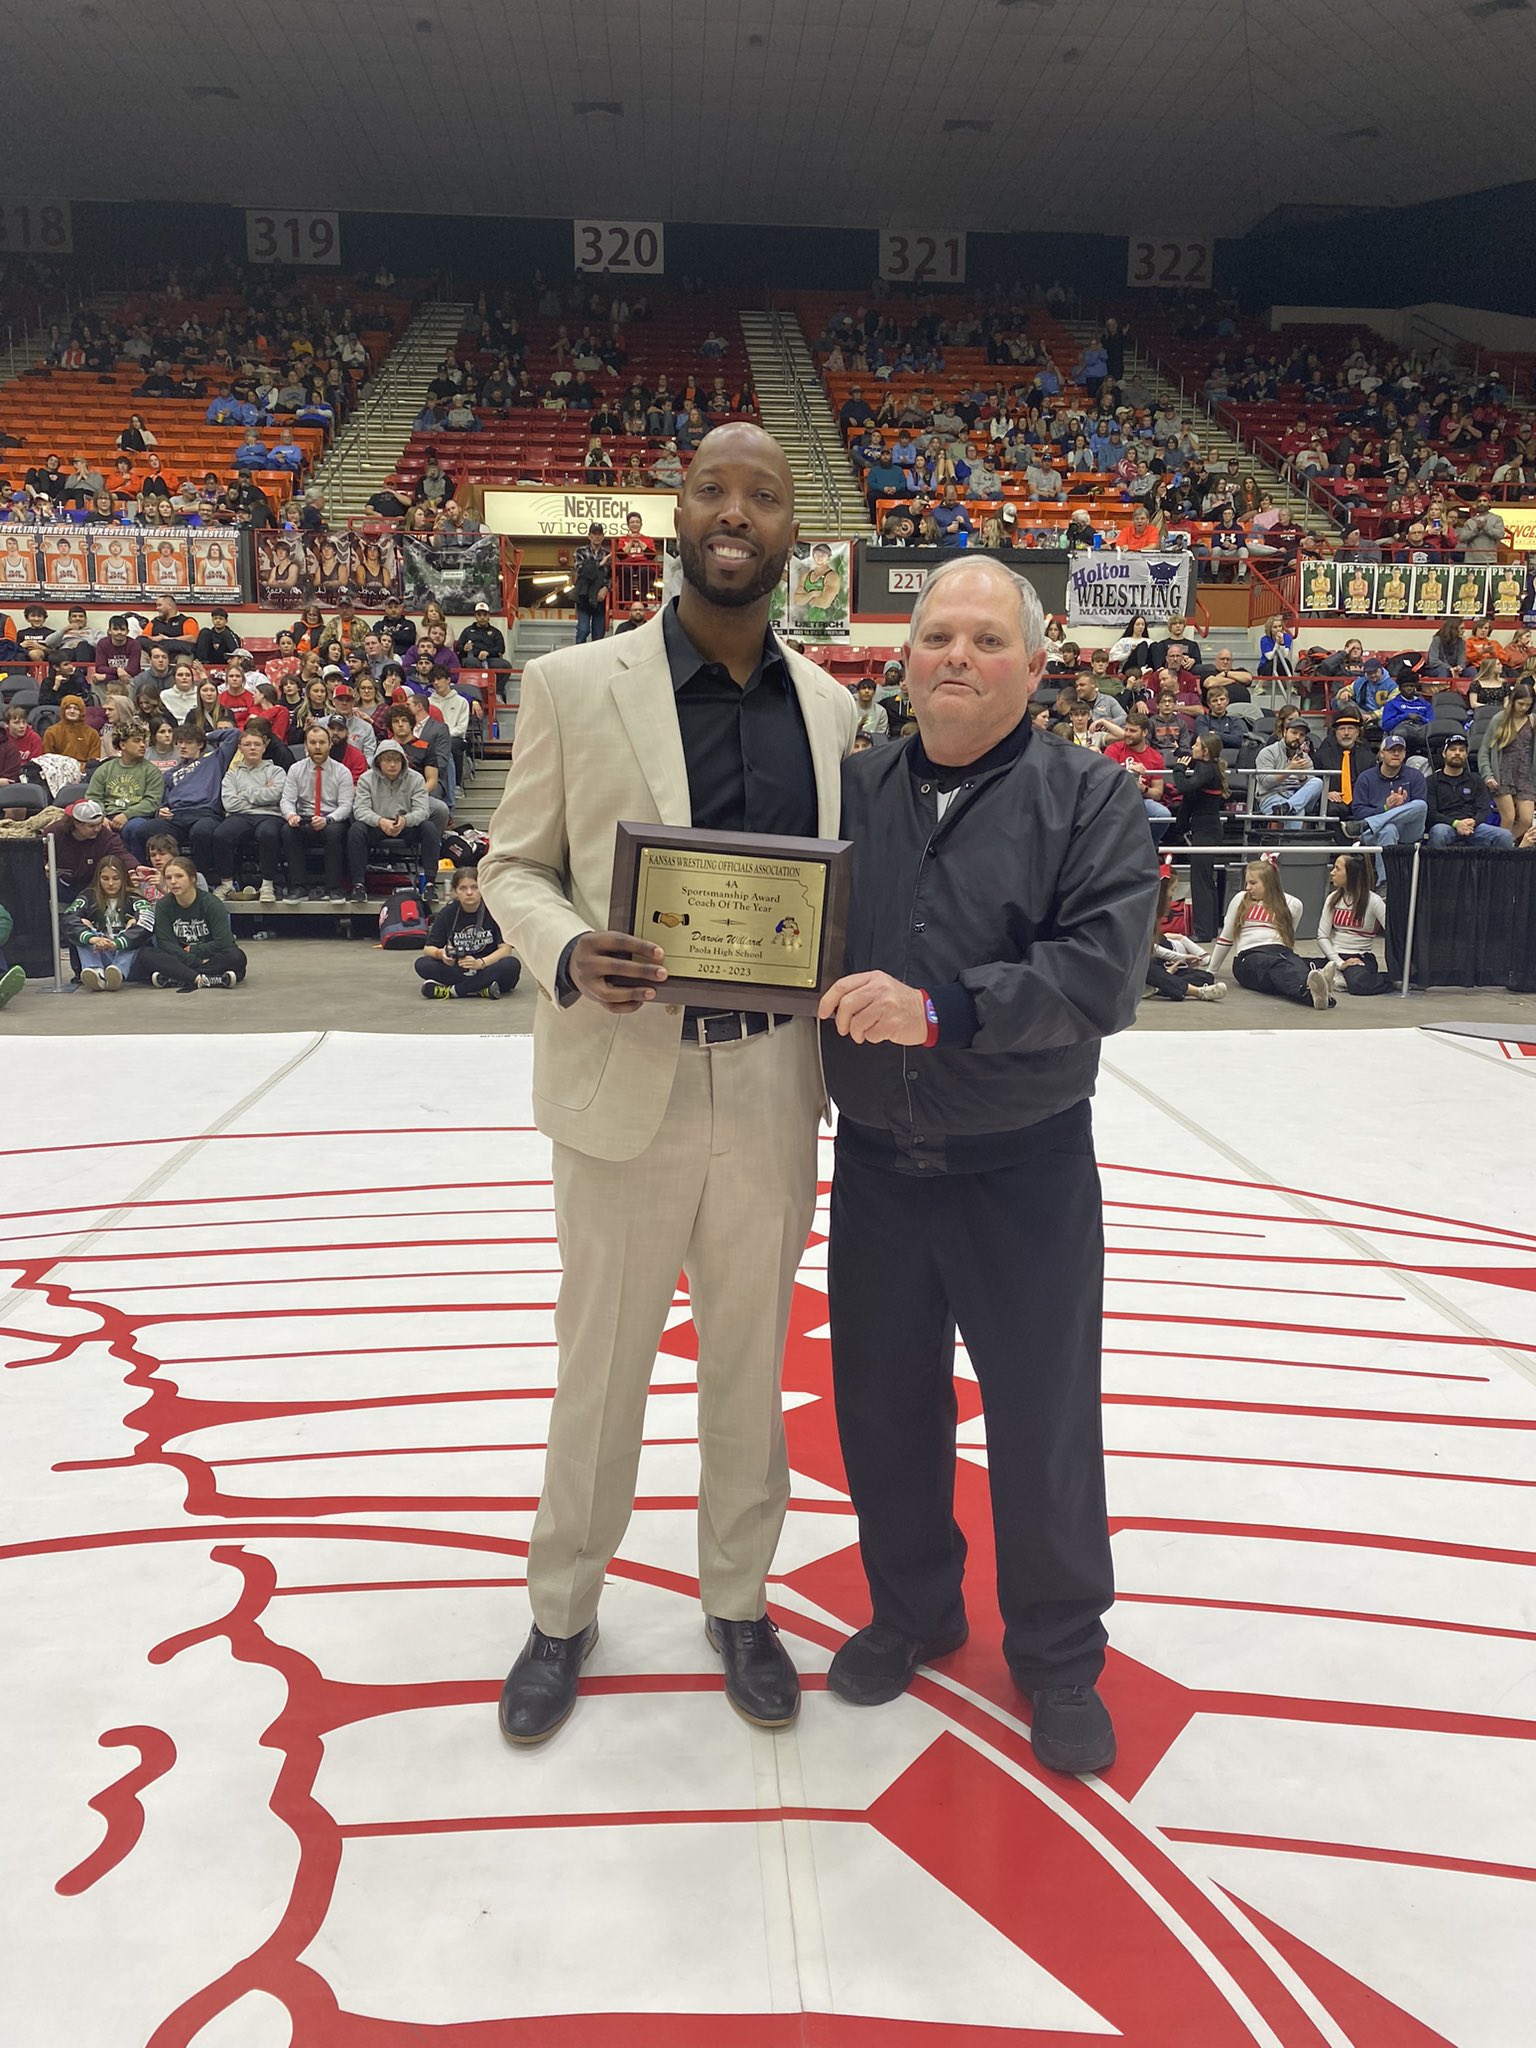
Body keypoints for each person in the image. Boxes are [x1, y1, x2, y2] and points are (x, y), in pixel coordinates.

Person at [479, 422, 857, 1744]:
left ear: (791, 531)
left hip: (767, 1089)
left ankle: (739, 1601)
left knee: (752, 1369)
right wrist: (572, 949)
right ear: (675, 515)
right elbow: (510, 866)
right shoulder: (576, 685)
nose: (736, 513)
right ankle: (562, 1610)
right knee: (602, 1367)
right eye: (714, 490)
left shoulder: (834, 709)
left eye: (763, 495)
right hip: (623, 1083)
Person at [811, 554, 1157, 1777]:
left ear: (1035, 659)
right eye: (936, 635)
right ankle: (914, 1610)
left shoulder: (1094, 797)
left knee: (1043, 1417)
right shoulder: (852, 788)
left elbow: (1101, 974)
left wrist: (944, 1011)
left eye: (986, 638)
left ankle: (1060, 1657)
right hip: (881, 1165)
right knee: (884, 1407)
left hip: (1026, 1164)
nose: (957, 655)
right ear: (902, 657)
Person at [1208, 861, 1335, 1010]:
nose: (1248, 887)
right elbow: (1225, 939)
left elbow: (1288, 940)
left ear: (1269, 883)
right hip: (1249, 956)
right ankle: (1312, 986)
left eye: (1253, 883)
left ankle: (1314, 990)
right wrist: (1211, 972)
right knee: (1277, 966)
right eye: (1247, 882)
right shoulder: (1240, 899)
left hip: (1280, 952)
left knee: (1291, 964)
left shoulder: (1293, 904)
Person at [347, 739, 441, 902]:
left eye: (396, 760)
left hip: (406, 824)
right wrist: (380, 821)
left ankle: (430, 884)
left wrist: (405, 820)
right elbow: (360, 810)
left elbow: (422, 811)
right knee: (356, 829)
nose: (392, 765)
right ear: (378, 762)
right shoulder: (366, 779)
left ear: (403, 761)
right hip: (377, 825)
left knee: (429, 828)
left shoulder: (416, 778)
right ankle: (358, 885)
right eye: (387, 760)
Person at [140, 852, 248, 991]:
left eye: (179, 876)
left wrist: (194, 950)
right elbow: (166, 943)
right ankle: (207, 979)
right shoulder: (163, 905)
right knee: (146, 954)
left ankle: (177, 978)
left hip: (208, 957)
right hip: (181, 957)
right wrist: (194, 960)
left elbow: (224, 942)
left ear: (192, 879)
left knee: (236, 957)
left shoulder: (211, 903)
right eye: (168, 878)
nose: (173, 882)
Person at [415, 865, 522, 999]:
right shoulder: (447, 913)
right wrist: (441, 954)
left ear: (482, 888)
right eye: (463, 888)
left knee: (511, 964)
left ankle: (455, 991)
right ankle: (481, 989)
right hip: (460, 967)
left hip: (487, 965)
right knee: (422, 964)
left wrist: (481, 963)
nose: (469, 892)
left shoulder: (495, 910)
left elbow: (505, 950)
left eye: (474, 887)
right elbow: (428, 949)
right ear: (455, 892)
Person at [212, 726, 287, 901]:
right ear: (240, 748)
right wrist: (262, 792)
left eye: (256, 744)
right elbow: (229, 803)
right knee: (221, 834)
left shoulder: (276, 771)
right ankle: (227, 884)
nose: (252, 748)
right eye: (247, 744)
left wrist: (245, 794)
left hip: (270, 815)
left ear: (264, 747)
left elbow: (277, 795)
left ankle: (267, 885)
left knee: (268, 833)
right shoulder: (232, 774)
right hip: (240, 816)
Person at [281, 723, 354, 900]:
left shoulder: (342, 771)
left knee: (334, 833)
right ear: (306, 745)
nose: (317, 747)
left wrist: (328, 819)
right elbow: (287, 800)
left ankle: (334, 888)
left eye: (322, 742)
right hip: (304, 817)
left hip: (331, 819)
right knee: (287, 831)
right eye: (312, 743)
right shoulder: (296, 769)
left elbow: (346, 806)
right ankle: (298, 886)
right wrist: (291, 815)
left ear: (330, 744)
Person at [1167, 732, 1229, 941]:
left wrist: (1179, 769)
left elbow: (1184, 786)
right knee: (1205, 880)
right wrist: (1179, 752)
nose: (1192, 747)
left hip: (1206, 832)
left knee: (1200, 881)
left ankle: (1203, 932)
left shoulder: (1205, 769)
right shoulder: (1209, 766)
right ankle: (1209, 929)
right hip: (1207, 829)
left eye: (1196, 745)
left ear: (1205, 751)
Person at [61, 852, 152, 990]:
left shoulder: (135, 898)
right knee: (82, 926)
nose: (110, 883)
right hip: (99, 951)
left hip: (129, 957)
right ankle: (95, 972)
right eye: (105, 878)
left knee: (134, 928)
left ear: (123, 878)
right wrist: (92, 938)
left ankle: (118, 972)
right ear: (98, 879)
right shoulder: (88, 896)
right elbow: (69, 918)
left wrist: (118, 942)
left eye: (116, 878)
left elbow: (146, 924)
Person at [1144, 870, 1226, 1003]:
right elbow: (1151, 949)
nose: (1173, 894)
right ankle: (1198, 992)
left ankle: (1158, 986)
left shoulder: (1157, 915)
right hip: (1146, 962)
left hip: (1162, 962)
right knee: (1147, 967)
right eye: (1172, 889)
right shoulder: (1145, 914)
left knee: (1206, 977)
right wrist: (1182, 959)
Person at [1347, 733, 1429, 865]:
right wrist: (1385, 808)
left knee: (1421, 805)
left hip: (1407, 830)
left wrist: (1402, 807)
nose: (1396, 754)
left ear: (1404, 754)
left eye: (1400, 750)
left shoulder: (1416, 776)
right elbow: (1358, 812)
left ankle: (1370, 823)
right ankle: (1386, 882)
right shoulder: (1365, 778)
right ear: (1381, 754)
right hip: (1376, 832)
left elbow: (1420, 811)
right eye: (1391, 750)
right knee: (1388, 830)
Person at [1317, 853, 1392, 994]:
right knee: (1297, 965)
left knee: (1357, 983)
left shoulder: (1374, 901)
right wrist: (1339, 963)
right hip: (1335, 956)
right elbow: (1322, 936)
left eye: (1337, 869)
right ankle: (1336, 977)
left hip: (1360, 958)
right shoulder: (1332, 898)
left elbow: (1394, 932)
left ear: (1352, 874)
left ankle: (1389, 979)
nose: (1332, 873)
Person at [1428, 732, 1515, 850]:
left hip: (1474, 826)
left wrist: (1473, 822)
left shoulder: (1476, 780)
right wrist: (1456, 823)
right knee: (1438, 833)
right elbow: (1431, 813)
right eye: (1453, 749)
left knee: (1505, 836)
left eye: (1462, 750)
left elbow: (1484, 809)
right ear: (1444, 753)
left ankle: (1495, 869)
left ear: (1466, 754)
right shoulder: (1432, 781)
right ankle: (1437, 869)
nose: (1457, 753)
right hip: (1446, 826)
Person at [87, 724, 166, 850]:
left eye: (143, 741)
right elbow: (93, 797)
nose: (142, 745)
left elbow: (152, 802)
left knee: (134, 828)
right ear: (123, 745)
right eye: (136, 741)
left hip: (137, 817)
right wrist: (101, 817)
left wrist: (127, 815)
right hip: (108, 815)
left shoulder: (151, 771)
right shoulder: (105, 769)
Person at [1479, 680, 1534, 845]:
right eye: (1521, 704)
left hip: (1526, 774)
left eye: (1528, 705)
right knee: (1508, 817)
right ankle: (1503, 851)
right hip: (1502, 772)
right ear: (1513, 701)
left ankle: (1506, 846)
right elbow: (1484, 750)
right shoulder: (1499, 719)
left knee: (1526, 820)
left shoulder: (1532, 721)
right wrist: (1487, 774)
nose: (1524, 708)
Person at [43, 801, 128, 899]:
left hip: (92, 887)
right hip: (59, 885)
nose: (97, 829)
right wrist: (43, 869)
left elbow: (122, 855)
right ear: (77, 824)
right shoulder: (54, 832)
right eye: (91, 826)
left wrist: (134, 869)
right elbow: (39, 856)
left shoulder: (106, 836)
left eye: (99, 824)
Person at [1255, 713, 1324, 828]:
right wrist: (1290, 769)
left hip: (1298, 796)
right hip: (1272, 797)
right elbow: (1266, 782)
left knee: (1318, 782)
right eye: (1294, 732)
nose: (1297, 737)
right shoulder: (1268, 752)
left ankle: (1289, 806)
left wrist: (1301, 776)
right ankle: (1290, 844)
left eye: (1301, 735)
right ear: (1284, 733)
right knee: (1297, 813)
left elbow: (1310, 788)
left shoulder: (1305, 757)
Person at [573, 523, 610, 643]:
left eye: (599, 534)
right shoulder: (580, 551)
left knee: (599, 635)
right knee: (583, 630)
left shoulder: (607, 553)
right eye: (594, 534)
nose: (597, 537)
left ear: (603, 536)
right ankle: (577, 657)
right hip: (584, 596)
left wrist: (606, 588)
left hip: (599, 598)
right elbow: (581, 571)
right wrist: (600, 564)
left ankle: (596, 661)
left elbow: (611, 576)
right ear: (589, 536)